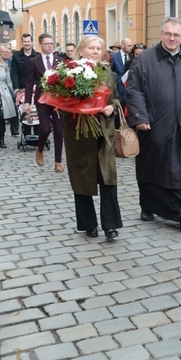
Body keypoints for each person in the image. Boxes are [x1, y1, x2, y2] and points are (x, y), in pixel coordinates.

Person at [126, 18, 181, 233]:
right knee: (151, 167)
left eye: (176, 35)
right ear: (161, 34)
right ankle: (147, 204)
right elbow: (134, 89)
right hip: (154, 125)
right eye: (168, 34)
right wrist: (140, 117)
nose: (172, 38)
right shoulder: (145, 59)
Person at [62, 36, 122, 240]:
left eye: (99, 48)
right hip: (80, 132)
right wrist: (77, 108)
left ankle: (110, 226)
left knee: (108, 177)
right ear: (81, 50)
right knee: (82, 177)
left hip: (104, 132)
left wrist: (111, 107)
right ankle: (88, 224)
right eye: (92, 48)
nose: (96, 51)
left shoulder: (107, 73)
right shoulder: (68, 71)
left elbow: (116, 98)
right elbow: (61, 101)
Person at [24, 34, 65, 172]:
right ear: (40, 45)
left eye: (51, 43)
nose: (50, 45)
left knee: (59, 130)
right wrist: (27, 102)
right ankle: (39, 148)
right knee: (45, 128)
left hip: (57, 100)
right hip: (42, 100)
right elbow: (29, 82)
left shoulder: (60, 61)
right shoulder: (34, 61)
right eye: (47, 43)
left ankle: (58, 162)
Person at [10, 33, 39, 135]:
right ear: (22, 42)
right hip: (22, 87)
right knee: (24, 111)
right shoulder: (16, 56)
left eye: (28, 41)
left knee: (36, 111)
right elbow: (14, 73)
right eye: (25, 42)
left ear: (31, 42)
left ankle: (37, 135)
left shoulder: (37, 55)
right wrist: (16, 87)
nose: (27, 44)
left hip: (35, 87)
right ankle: (26, 135)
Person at [111, 38, 133, 106]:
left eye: (132, 46)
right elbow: (111, 72)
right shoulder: (114, 57)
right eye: (129, 46)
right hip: (118, 89)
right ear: (122, 45)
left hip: (130, 87)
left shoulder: (132, 56)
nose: (131, 48)